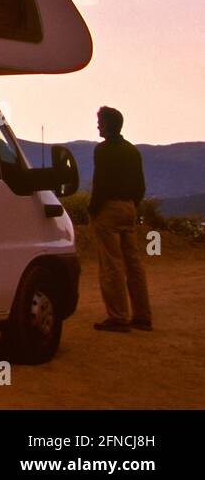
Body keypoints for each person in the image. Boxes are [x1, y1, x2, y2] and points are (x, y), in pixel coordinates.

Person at [90, 106, 152, 332]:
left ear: (108, 125)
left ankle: (118, 316)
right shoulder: (132, 151)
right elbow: (140, 186)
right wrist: (132, 204)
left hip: (108, 208)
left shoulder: (102, 151)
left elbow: (100, 183)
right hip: (129, 208)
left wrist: (93, 209)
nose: (98, 125)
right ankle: (143, 315)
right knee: (133, 263)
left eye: (100, 121)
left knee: (111, 264)